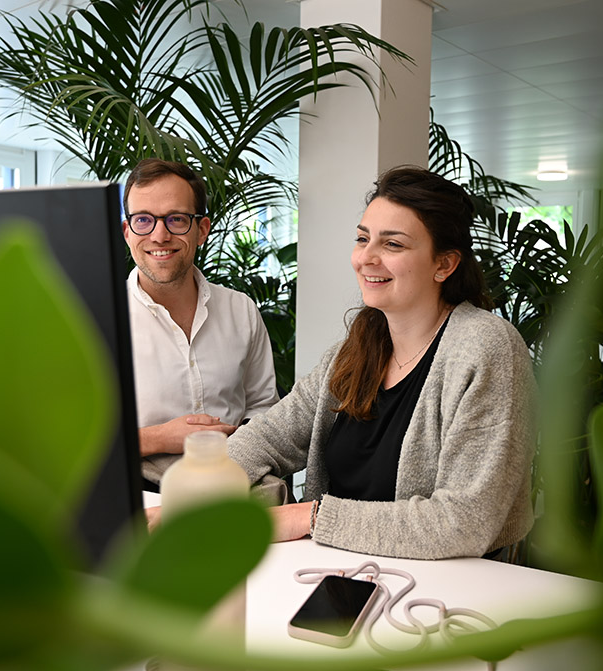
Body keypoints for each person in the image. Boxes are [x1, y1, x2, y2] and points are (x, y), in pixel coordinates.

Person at [226, 166, 536, 560]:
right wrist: (202, 490)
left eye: (392, 245)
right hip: (341, 573)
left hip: (450, 591)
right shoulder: (354, 349)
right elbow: (267, 437)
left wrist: (310, 518)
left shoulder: (486, 347)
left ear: (444, 264)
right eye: (362, 239)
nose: (365, 258)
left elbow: (464, 522)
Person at [122, 158, 278, 487]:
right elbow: (73, 441)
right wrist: (160, 438)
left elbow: (264, 406)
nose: (159, 235)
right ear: (127, 232)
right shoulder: (99, 320)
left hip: (233, 484)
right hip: (141, 496)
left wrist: (240, 450)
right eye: (143, 220)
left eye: (176, 219)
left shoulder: (241, 310)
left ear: (202, 230)